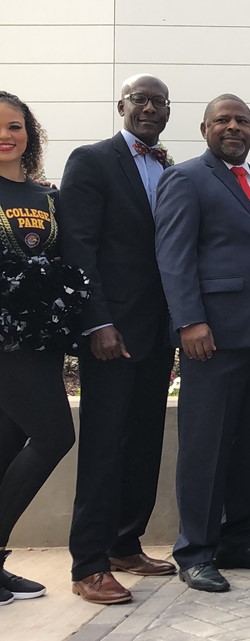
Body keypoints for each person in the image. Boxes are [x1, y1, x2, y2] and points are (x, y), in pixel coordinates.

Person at [154, 94, 250, 593]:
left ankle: (239, 537)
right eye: (223, 120)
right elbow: (174, 257)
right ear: (204, 128)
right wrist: (189, 322)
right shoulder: (186, 178)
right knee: (205, 445)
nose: (233, 126)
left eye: (242, 120)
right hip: (211, 338)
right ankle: (195, 549)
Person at [58, 73, 177, 605]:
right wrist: (96, 322)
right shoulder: (92, 160)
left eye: (159, 102)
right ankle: (87, 563)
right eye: (140, 100)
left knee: (144, 440)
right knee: (104, 446)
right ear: (122, 105)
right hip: (110, 331)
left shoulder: (167, 168)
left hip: (156, 332)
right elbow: (78, 249)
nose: (149, 108)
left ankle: (124, 543)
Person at [0, 91, 85, 605]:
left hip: (41, 340)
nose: (6, 135)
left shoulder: (46, 196)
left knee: (8, 444)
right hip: (3, 343)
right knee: (55, 435)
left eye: (15, 126)